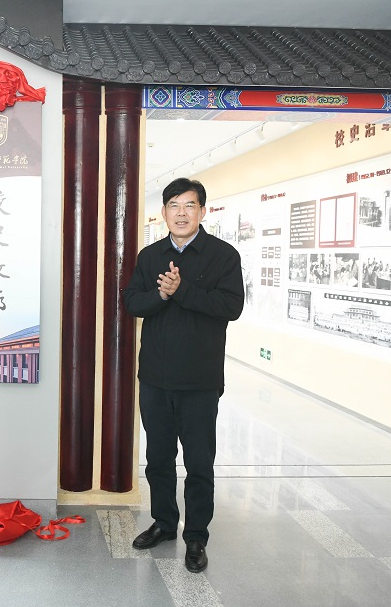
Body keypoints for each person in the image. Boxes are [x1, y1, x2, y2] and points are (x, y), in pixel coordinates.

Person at [122, 178, 244, 574]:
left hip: (199, 381)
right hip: (155, 378)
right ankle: (163, 522)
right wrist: (160, 295)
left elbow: (231, 307)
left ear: (202, 211)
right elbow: (132, 302)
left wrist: (182, 290)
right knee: (158, 458)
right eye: (173, 205)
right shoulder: (150, 256)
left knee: (199, 463)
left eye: (189, 205)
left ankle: (196, 537)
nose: (181, 213)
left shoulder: (223, 255)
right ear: (163, 212)